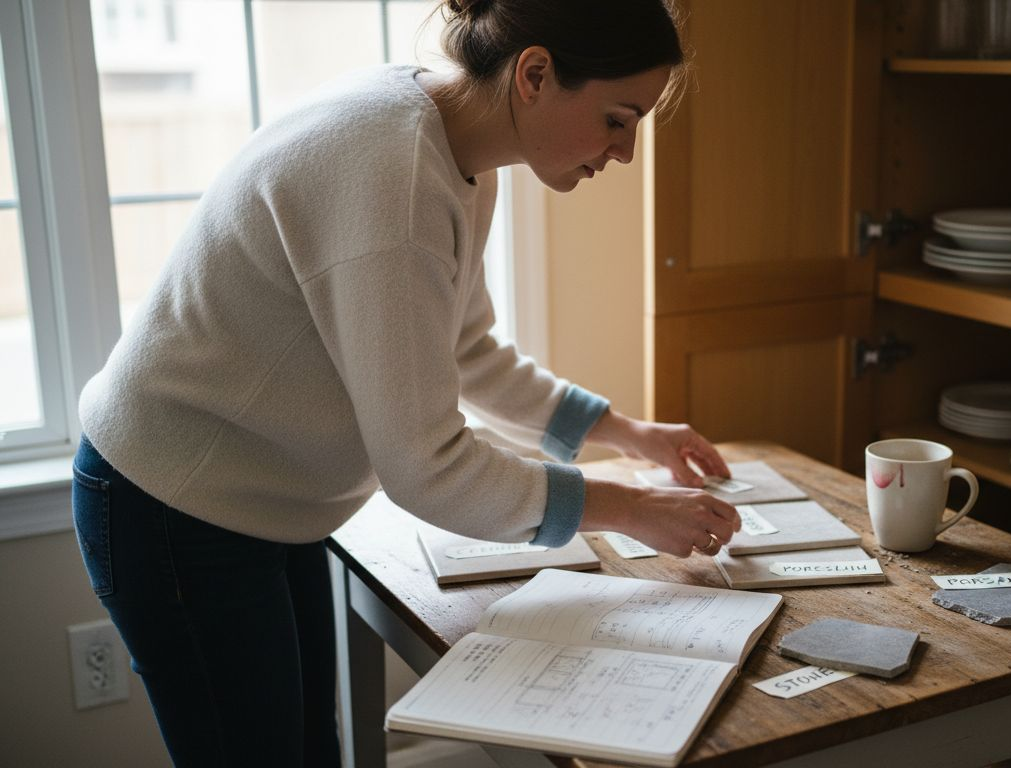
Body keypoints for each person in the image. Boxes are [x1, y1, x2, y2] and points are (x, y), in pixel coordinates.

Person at [71, 0, 739, 764]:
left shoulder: (452, 148)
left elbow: (467, 351)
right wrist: (629, 508)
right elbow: (427, 468)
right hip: (172, 505)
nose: (625, 152)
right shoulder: (393, 175)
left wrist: (629, 435)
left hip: (255, 503)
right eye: (619, 119)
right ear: (535, 74)